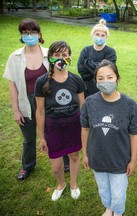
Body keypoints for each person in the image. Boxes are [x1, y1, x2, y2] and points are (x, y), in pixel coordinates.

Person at [81, 60, 137, 216]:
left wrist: (133, 160)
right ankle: (108, 208)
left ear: (117, 79)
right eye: (100, 78)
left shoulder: (129, 105)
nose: (105, 81)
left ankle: (118, 212)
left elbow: (134, 135)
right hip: (97, 157)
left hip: (120, 160)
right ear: (95, 81)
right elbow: (85, 129)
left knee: (119, 194)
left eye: (109, 77)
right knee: (103, 189)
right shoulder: (89, 102)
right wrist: (85, 154)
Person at [35, 41, 85, 201]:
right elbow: (40, 111)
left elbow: (82, 107)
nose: (61, 59)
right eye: (56, 55)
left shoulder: (77, 80)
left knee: (74, 156)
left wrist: (85, 130)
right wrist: (42, 137)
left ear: (69, 57)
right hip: (53, 128)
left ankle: (73, 183)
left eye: (64, 55)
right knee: (56, 166)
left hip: (73, 126)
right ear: (50, 58)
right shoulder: (41, 82)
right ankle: (61, 183)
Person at [3, 18, 49, 180]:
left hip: (47, 102)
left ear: (39, 34)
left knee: (53, 132)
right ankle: (27, 166)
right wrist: (16, 110)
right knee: (29, 138)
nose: (29, 35)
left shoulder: (49, 54)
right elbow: (12, 86)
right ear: (21, 35)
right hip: (26, 102)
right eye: (25, 32)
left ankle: (63, 161)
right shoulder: (14, 57)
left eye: (33, 32)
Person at [77, 19, 117, 98]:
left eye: (102, 35)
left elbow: (107, 71)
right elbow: (81, 70)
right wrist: (99, 66)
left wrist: (88, 63)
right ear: (93, 35)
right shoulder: (86, 50)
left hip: (105, 88)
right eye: (97, 34)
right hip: (87, 88)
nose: (99, 37)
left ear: (106, 36)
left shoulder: (110, 52)